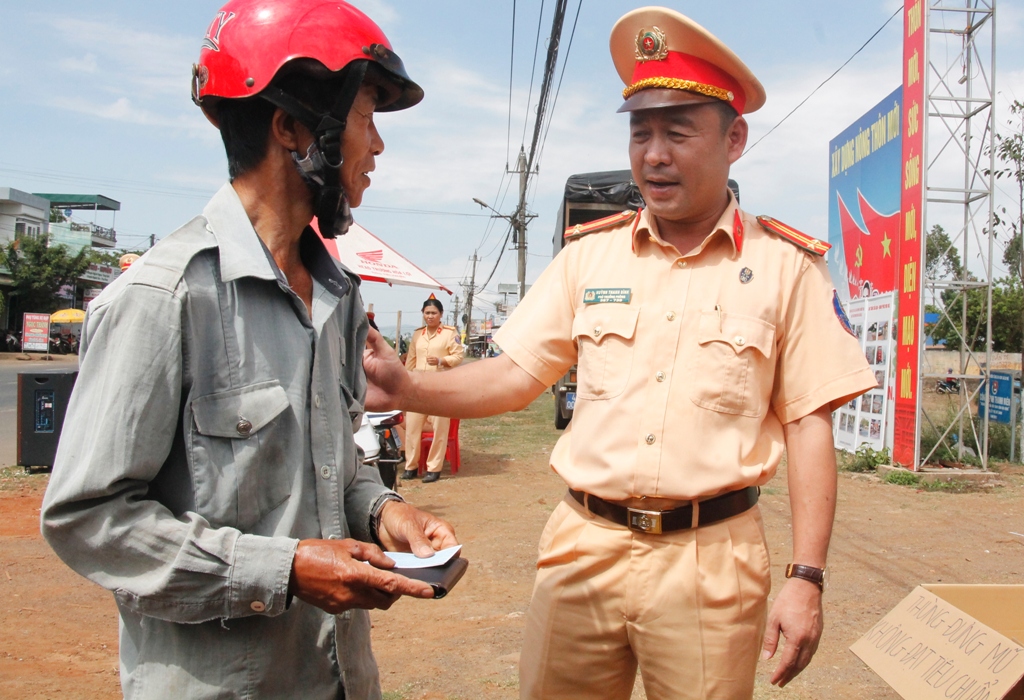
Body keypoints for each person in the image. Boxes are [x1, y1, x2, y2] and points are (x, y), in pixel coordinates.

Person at [363, 7, 876, 699]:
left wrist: (806, 577)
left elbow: (811, 424)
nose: (654, 155)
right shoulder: (591, 256)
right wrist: (405, 388)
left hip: (711, 560)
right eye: (641, 133)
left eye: (677, 132)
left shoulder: (786, 268)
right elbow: (516, 373)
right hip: (582, 549)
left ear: (736, 139)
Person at [40, 1, 458, 698]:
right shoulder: (162, 298)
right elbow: (88, 518)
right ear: (292, 126)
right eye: (364, 116)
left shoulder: (339, 299)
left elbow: (333, 464)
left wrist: (387, 512)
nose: (377, 145)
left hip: (339, 679)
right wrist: (283, 569)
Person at [401, 296, 464, 483]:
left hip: (439, 387)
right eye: (427, 313)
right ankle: (410, 466)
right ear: (422, 314)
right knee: (412, 428)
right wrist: (406, 382)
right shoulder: (417, 335)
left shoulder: (449, 333)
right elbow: (411, 360)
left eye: (433, 313)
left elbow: (458, 355)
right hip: (418, 388)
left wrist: (441, 361)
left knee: (439, 429)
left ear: (441, 314)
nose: (430, 316)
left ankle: (434, 468)